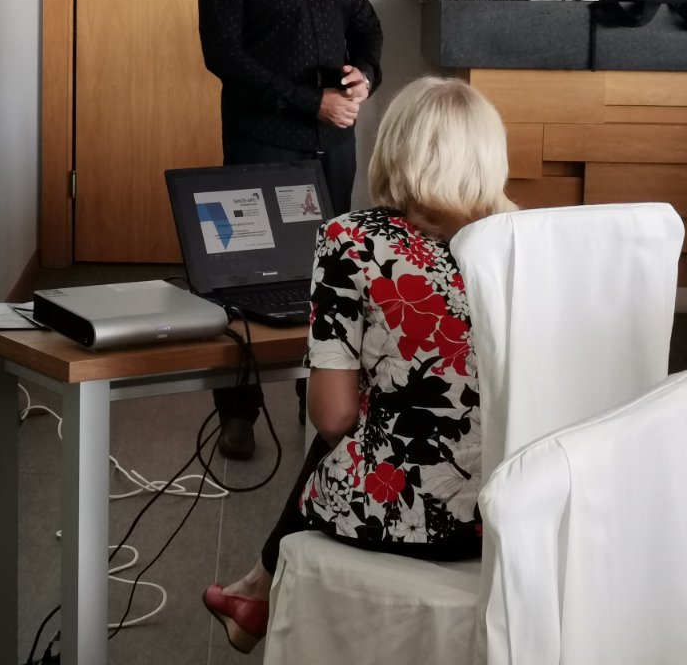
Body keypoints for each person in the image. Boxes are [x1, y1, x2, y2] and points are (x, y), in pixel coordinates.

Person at [201, 76, 514, 654]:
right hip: (512, 513)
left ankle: (258, 590)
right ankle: (257, 590)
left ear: (394, 149)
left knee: (355, 423)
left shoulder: (352, 239)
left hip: (398, 516)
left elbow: (333, 418)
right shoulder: (523, 242)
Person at [197, 0, 383, 459]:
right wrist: (310, 101)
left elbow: (366, 25)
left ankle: (321, 399)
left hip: (333, 144)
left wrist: (366, 75)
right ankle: (237, 412)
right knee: (243, 279)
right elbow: (224, 55)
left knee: (329, 275)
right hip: (262, 143)